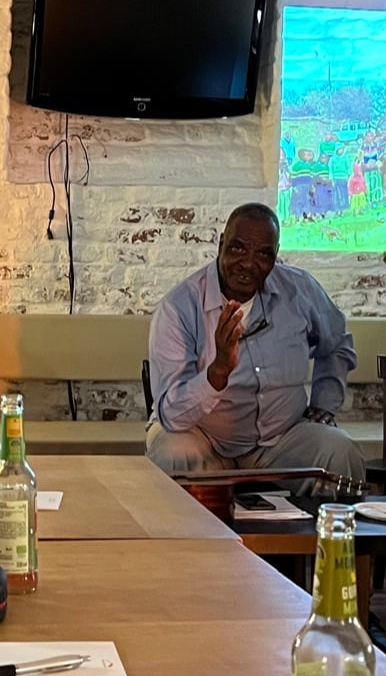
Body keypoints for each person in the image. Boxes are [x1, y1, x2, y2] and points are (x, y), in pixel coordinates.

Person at [146, 203, 364, 483]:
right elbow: (172, 415)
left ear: (276, 254)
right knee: (173, 452)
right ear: (221, 244)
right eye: (238, 248)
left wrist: (324, 405)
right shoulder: (179, 307)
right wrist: (218, 371)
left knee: (341, 452)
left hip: (281, 440)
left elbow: (337, 344)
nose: (249, 264)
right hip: (205, 440)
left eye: (263, 254)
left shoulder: (298, 289)